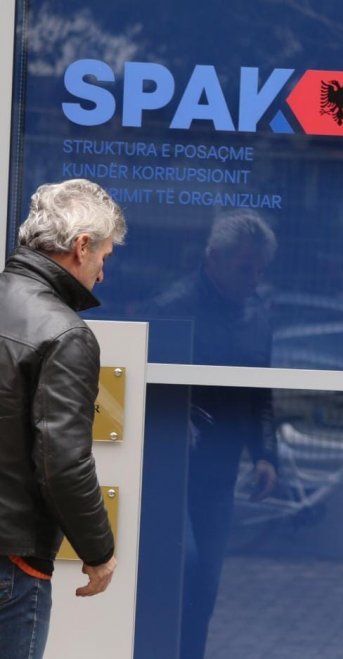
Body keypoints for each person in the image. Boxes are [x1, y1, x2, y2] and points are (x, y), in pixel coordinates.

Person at [141, 209, 279, 658]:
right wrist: (171, 419)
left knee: (205, 587)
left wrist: (265, 455)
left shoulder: (258, 315)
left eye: (260, 269)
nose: (254, 279)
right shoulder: (172, 308)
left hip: (220, 473)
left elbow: (260, 394)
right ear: (213, 259)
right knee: (181, 568)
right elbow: (145, 387)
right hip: (171, 472)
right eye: (244, 268)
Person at [0, 178, 125, 658]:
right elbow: (63, 464)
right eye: (104, 258)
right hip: (12, 563)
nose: (102, 275)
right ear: (81, 246)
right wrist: (99, 552)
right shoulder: (65, 334)